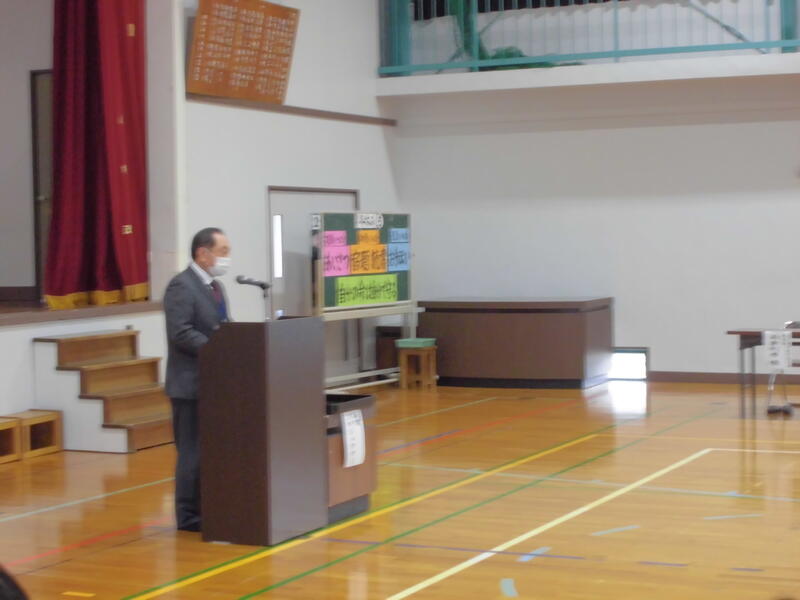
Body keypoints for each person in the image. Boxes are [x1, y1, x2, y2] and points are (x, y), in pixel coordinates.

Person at [163, 227, 232, 532]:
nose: (227, 258)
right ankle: (189, 516)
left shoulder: (215, 287)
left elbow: (224, 326)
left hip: (214, 384)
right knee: (191, 453)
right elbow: (180, 332)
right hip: (189, 385)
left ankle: (210, 507)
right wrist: (216, 349)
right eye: (223, 251)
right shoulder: (181, 286)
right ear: (203, 254)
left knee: (210, 451)